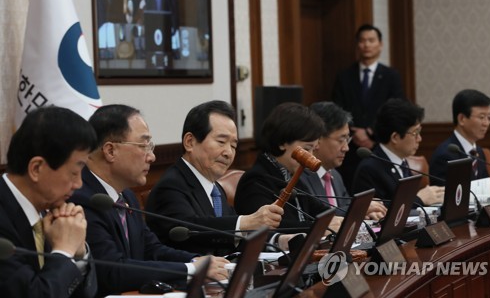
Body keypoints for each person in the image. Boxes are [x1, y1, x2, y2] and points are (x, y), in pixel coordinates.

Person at [69, 104, 228, 297]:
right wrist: (190, 269)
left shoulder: (126, 195)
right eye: (144, 146)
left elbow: (151, 248)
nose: (152, 157)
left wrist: (198, 261)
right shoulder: (82, 198)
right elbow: (111, 270)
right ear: (110, 151)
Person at [146, 100, 285, 256]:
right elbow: (190, 230)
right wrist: (246, 222)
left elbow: (233, 234)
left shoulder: (216, 189)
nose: (228, 153)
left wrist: (280, 240)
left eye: (233, 145)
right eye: (221, 142)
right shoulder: (171, 186)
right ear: (190, 142)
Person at [0, 106, 97, 298]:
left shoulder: (50, 210)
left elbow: (89, 292)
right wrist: (63, 251)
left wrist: (78, 254)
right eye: (74, 173)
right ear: (36, 168)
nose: (79, 184)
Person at [234, 102, 343, 235]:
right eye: (307, 149)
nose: (311, 157)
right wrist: (318, 227)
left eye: (314, 150)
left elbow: (322, 211)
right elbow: (271, 227)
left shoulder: (292, 176)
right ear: (282, 143)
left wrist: (346, 216)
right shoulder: (255, 180)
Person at [332, 24, 405, 192]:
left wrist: (370, 132)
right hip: (349, 147)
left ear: (380, 44)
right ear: (357, 45)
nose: (366, 45)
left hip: (378, 145)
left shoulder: (391, 76)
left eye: (371, 40)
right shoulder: (344, 76)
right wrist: (353, 132)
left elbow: (395, 110)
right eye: (362, 41)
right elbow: (337, 109)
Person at [303, 101, 387, 221]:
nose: (346, 148)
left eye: (347, 140)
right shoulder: (299, 177)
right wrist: (359, 209)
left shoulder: (335, 176)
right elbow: (314, 217)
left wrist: (366, 214)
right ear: (318, 139)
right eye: (341, 140)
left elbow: (345, 210)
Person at [352, 99, 445, 207]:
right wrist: (418, 200)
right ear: (395, 137)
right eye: (415, 133)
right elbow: (380, 212)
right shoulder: (369, 170)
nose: (419, 138)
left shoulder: (402, 162)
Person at [429, 89, 490, 196]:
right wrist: (486, 190)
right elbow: (444, 195)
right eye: (482, 117)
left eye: (489, 118)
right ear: (462, 119)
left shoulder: (478, 151)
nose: (486, 123)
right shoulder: (444, 155)